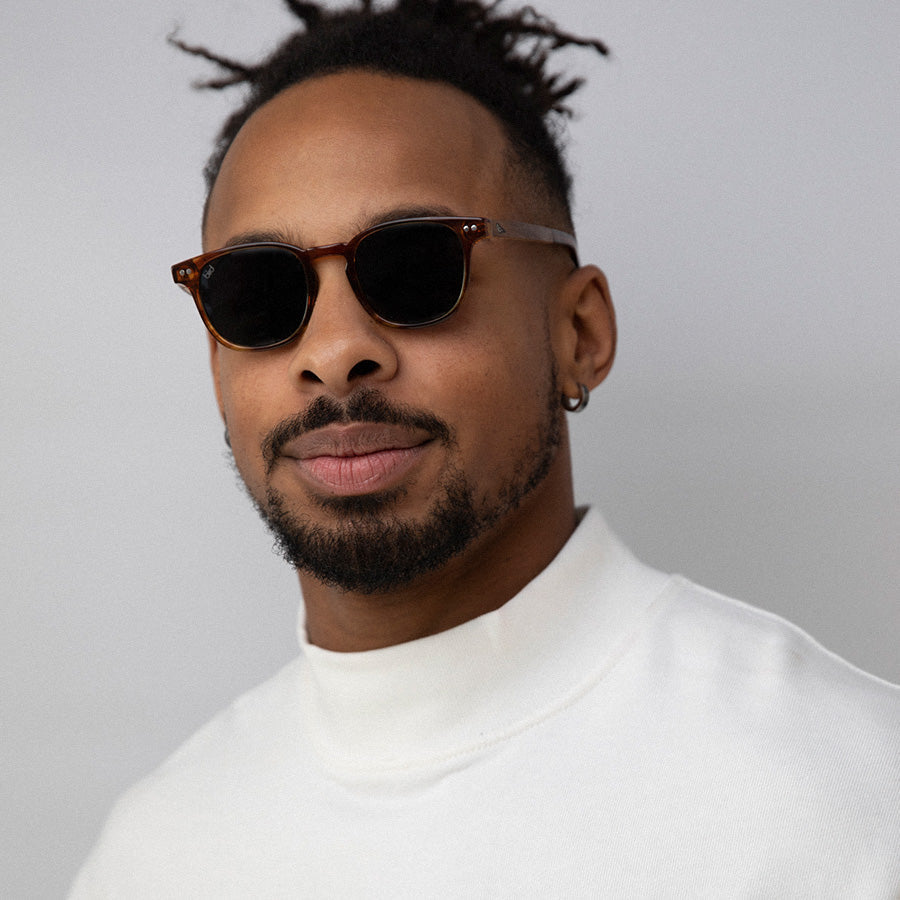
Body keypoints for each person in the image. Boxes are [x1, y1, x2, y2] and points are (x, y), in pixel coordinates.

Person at [71, 0, 900, 895]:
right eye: (257, 295)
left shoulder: (846, 795)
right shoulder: (153, 856)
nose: (332, 351)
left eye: (415, 268)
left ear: (580, 331)